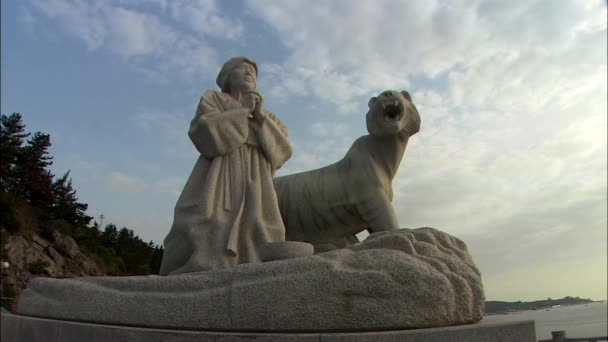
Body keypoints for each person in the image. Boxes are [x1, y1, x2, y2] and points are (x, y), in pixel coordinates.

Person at [159, 57, 292, 275]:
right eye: (242, 68)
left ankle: (254, 272)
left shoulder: (267, 115)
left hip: (256, 178)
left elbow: (283, 150)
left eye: (253, 71)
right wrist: (241, 112)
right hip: (220, 173)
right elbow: (203, 128)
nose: (249, 72)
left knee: (261, 223)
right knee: (211, 220)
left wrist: (259, 119)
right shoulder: (213, 99)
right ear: (227, 77)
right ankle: (206, 268)